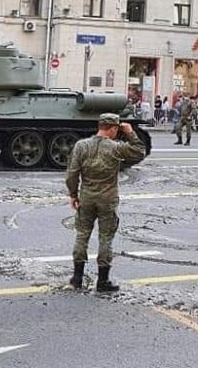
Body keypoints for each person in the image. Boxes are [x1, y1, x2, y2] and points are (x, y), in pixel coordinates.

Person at [66, 113, 146, 292]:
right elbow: (140, 152)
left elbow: (72, 173)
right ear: (114, 128)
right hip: (107, 199)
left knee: (82, 235)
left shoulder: (81, 145)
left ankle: (77, 278)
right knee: (106, 238)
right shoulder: (116, 147)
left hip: (86, 197)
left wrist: (73, 194)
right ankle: (103, 281)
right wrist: (131, 132)